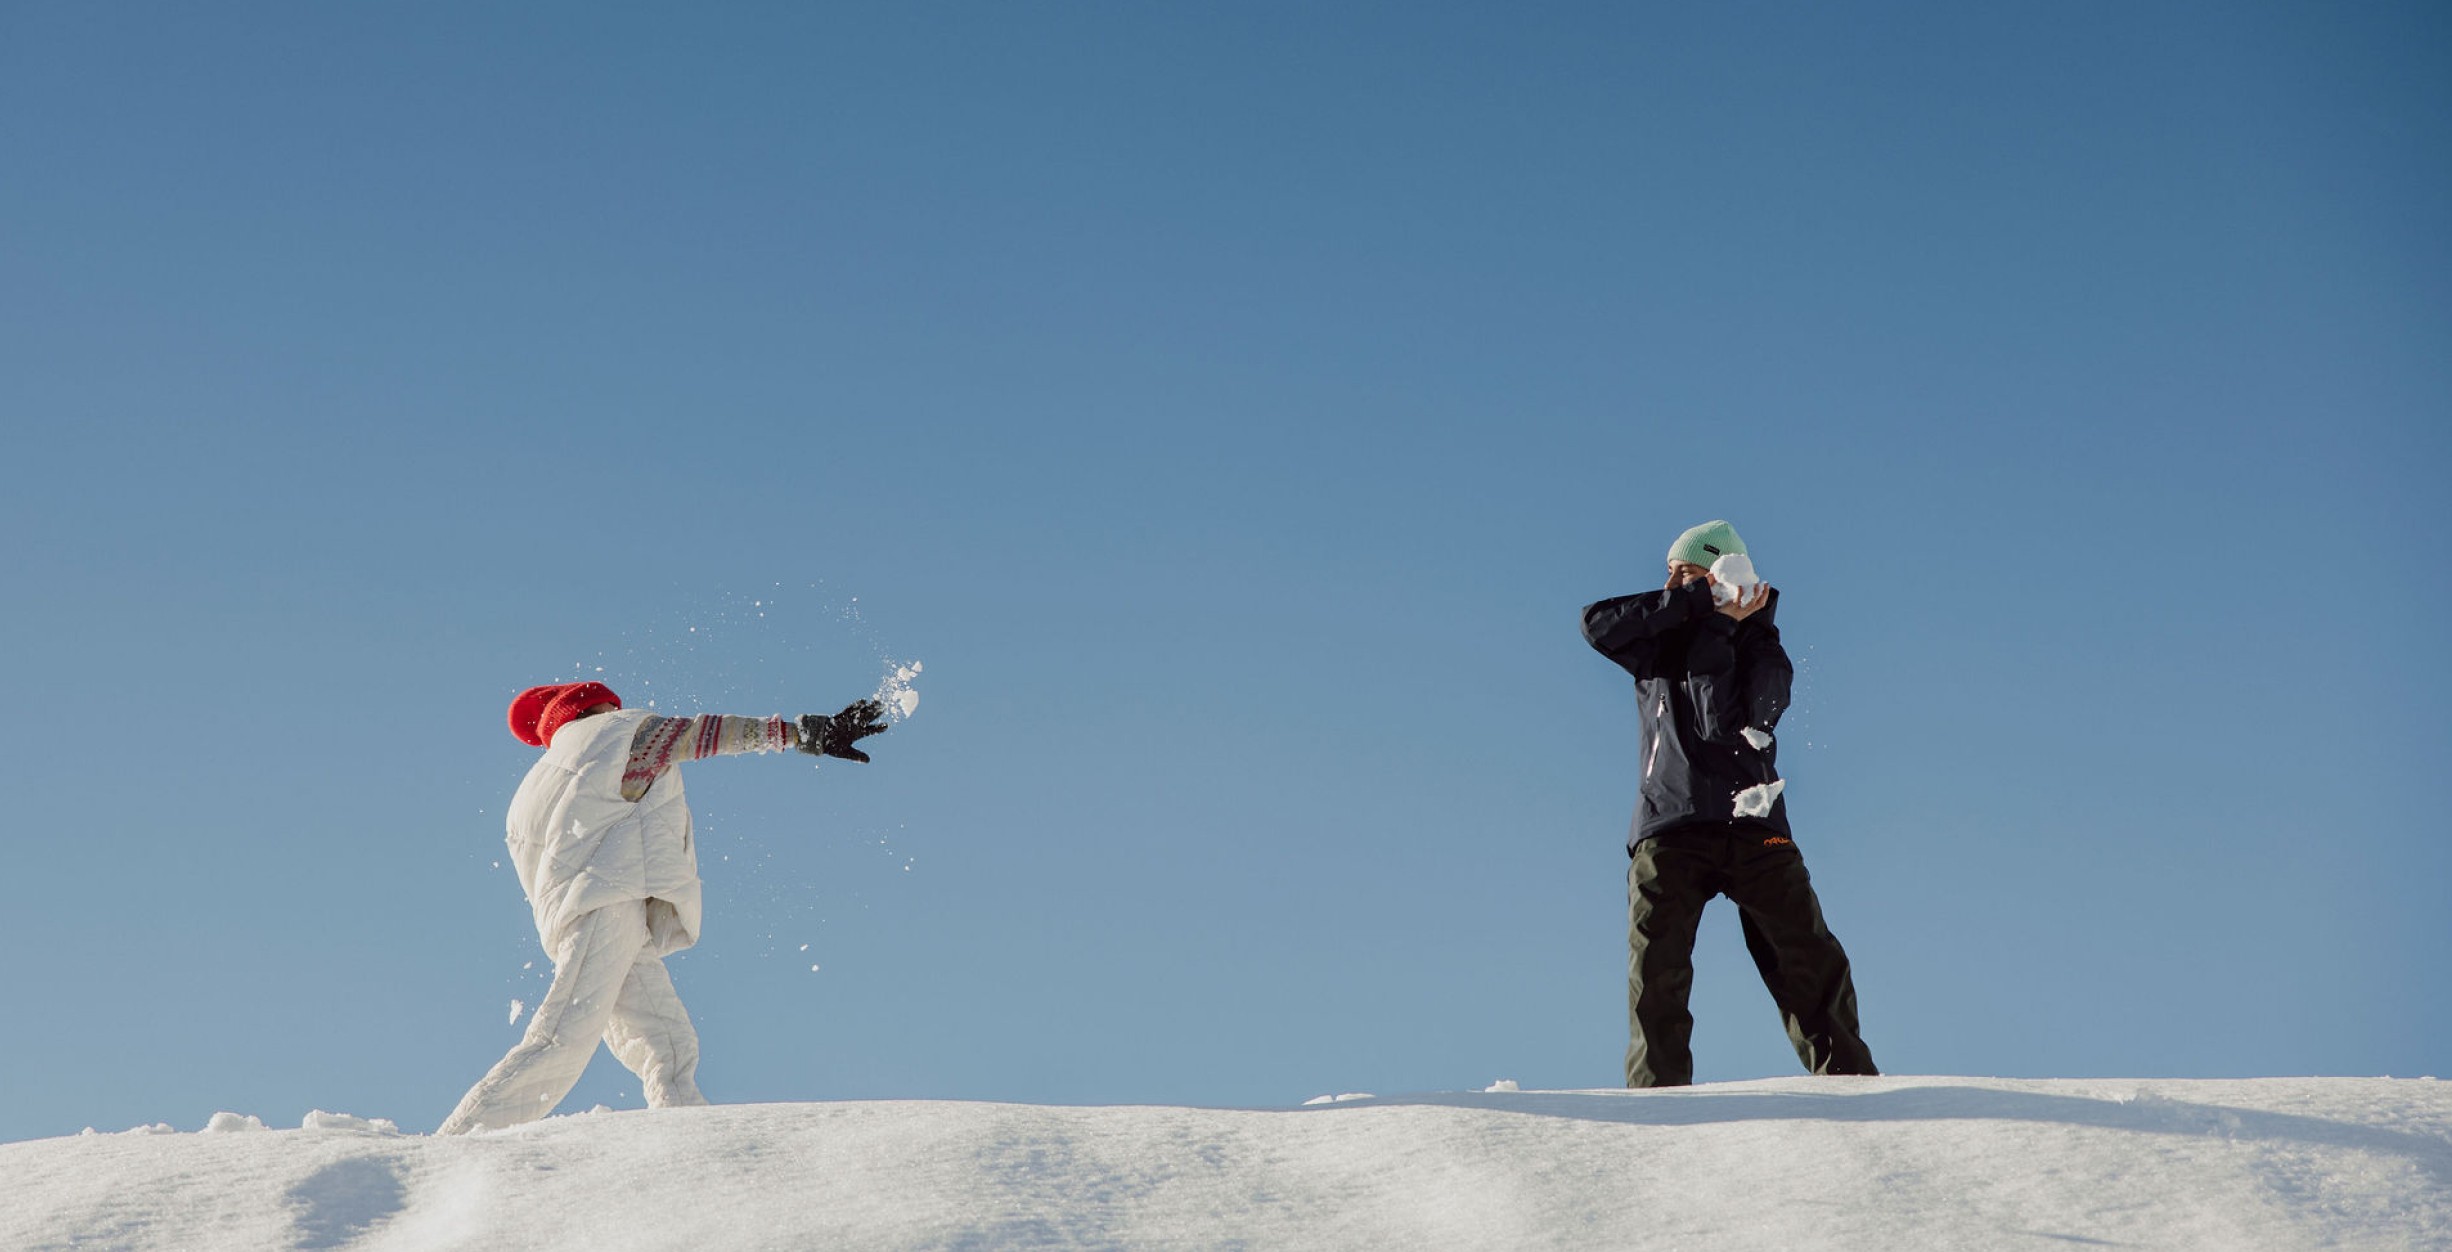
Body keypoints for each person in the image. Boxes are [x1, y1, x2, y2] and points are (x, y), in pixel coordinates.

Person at [438, 681, 887, 1134]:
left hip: (598, 909)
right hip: (606, 904)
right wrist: (799, 733)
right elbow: (701, 734)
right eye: (606, 703)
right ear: (588, 708)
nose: (616, 706)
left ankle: (684, 1132)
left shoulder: (539, 782)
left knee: (666, 1043)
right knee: (561, 1040)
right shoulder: (616, 734)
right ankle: (459, 1138)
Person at [1580, 520, 1877, 1088]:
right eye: (1668, 572)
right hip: (1670, 826)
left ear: (1722, 573)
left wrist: (1725, 627)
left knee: (1807, 958)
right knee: (1656, 971)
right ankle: (1657, 1101)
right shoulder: (1658, 636)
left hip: (1752, 825)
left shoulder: (1761, 645)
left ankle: (1852, 1088)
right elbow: (1596, 624)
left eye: (1686, 571)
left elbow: (1730, 720)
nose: (1671, 581)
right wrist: (1698, 605)